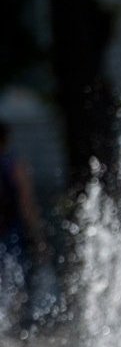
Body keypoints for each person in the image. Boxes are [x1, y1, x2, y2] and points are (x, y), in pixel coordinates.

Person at [0, 121, 53, 333]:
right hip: (12, 236)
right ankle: (11, 329)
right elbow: (26, 202)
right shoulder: (14, 165)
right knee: (16, 284)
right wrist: (39, 238)